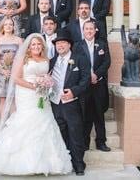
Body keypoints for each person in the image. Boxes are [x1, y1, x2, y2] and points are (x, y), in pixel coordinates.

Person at [0, 33, 72, 176]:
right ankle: (20, 163)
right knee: (27, 122)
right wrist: (34, 86)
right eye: (33, 45)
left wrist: (46, 84)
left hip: (42, 95)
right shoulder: (24, 59)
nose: (36, 47)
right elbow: (16, 78)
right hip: (26, 94)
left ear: (42, 46)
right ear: (29, 47)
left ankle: (46, 163)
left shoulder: (46, 59)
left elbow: (49, 76)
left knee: (44, 122)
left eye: (38, 44)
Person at [50, 29, 91, 176]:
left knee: (75, 134)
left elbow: (86, 80)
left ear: (69, 45)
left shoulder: (80, 59)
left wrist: (74, 91)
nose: (60, 45)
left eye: (62, 43)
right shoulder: (52, 61)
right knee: (60, 135)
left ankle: (79, 164)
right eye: (57, 43)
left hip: (72, 104)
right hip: (55, 104)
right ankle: (65, 163)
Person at [73, 20, 111, 152]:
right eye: (86, 29)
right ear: (83, 31)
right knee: (85, 115)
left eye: (91, 29)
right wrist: (88, 77)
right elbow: (76, 64)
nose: (89, 31)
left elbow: (107, 62)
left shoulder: (102, 44)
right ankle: (84, 142)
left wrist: (96, 75)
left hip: (98, 84)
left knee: (99, 114)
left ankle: (101, 142)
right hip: (84, 85)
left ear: (95, 30)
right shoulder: (77, 46)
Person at [0, 17, 22, 117]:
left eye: (10, 24)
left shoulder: (18, 40)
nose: (8, 26)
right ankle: (3, 123)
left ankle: (13, 123)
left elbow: (22, 57)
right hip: (2, 73)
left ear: (13, 27)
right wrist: (2, 69)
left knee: (13, 97)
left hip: (15, 72)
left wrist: (15, 70)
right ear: (3, 27)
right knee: (3, 98)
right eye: (6, 24)